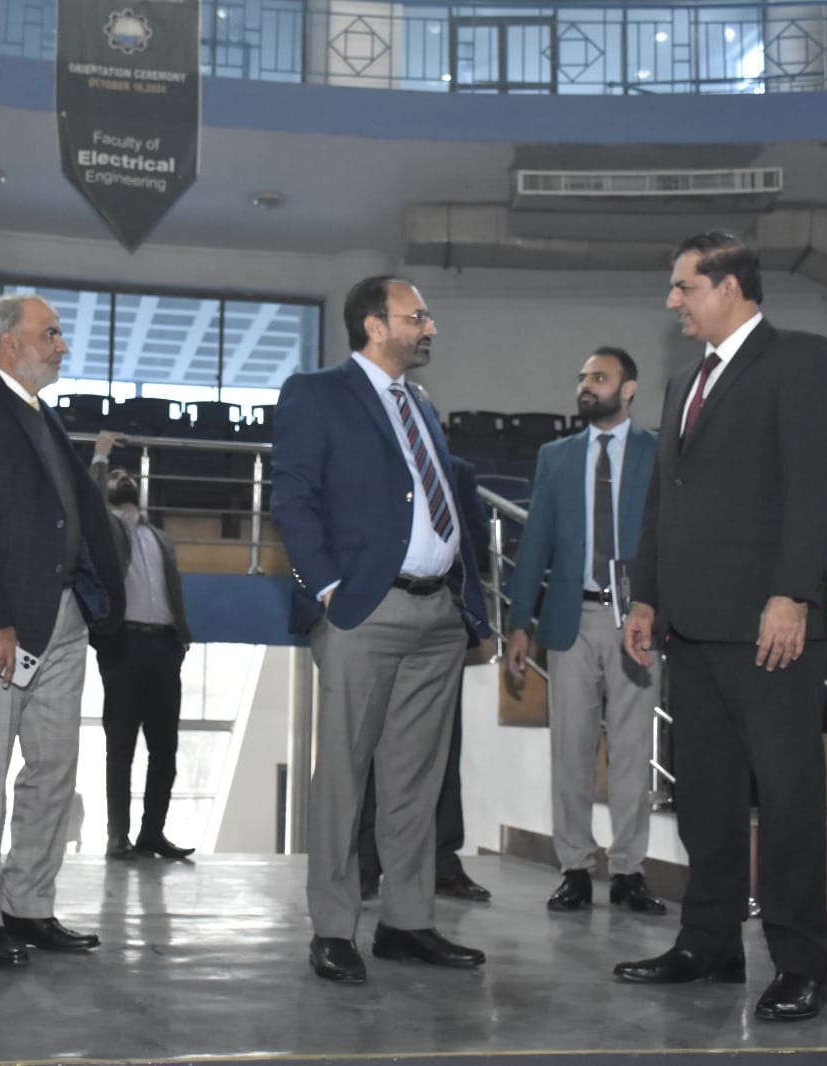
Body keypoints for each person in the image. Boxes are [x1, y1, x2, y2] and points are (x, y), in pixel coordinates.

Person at [615, 232, 827, 1022]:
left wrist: (790, 595)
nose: (673, 301)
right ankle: (708, 942)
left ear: (731, 287)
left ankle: (800, 962)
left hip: (766, 626)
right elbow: (662, 504)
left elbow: (813, 490)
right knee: (707, 800)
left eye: (684, 287)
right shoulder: (683, 383)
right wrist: (646, 597)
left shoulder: (801, 359)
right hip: (691, 626)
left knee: (785, 801)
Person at [271, 275, 491, 985]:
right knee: (343, 775)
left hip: (436, 615)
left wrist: (468, 605)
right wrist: (329, 589)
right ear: (374, 325)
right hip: (365, 609)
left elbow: (445, 501)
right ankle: (335, 928)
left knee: (416, 780)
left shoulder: (420, 404)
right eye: (416, 316)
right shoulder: (317, 393)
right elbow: (294, 498)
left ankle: (407, 921)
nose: (429, 327)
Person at [0, 293, 125, 968]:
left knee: (54, 769)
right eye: (52, 333)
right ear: (9, 342)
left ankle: (29, 904)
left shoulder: (44, 416)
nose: (63, 345)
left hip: (64, 618)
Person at [504, 347, 665, 916]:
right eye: (581, 378)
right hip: (571, 620)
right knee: (569, 752)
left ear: (629, 389)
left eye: (599, 377)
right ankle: (573, 866)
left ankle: (628, 870)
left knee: (630, 754)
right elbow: (536, 545)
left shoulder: (658, 451)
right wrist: (519, 624)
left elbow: (669, 539)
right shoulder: (557, 456)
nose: (586, 386)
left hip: (636, 621)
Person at [360, 454, 491, 904]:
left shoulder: (457, 471)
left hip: (440, 616)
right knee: (368, 743)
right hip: (372, 615)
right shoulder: (368, 462)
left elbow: (477, 547)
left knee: (439, 749)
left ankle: (441, 861)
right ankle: (363, 862)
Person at [89, 429, 196, 862]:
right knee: (121, 748)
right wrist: (99, 456)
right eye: (114, 477)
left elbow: (174, 592)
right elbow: (91, 504)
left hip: (164, 648)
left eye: (125, 475)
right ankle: (118, 837)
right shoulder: (108, 528)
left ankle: (153, 833)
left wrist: (180, 640)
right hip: (125, 644)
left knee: (165, 749)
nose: (122, 478)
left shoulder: (161, 538)